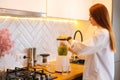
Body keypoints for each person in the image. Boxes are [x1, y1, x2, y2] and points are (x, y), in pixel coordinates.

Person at [65, 3, 116, 80]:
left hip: (99, 77)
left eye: (91, 16)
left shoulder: (102, 33)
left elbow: (84, 47)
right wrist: (72, 50)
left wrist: (69, 39)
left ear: (98, 17)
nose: (89, 19)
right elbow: (91, 52)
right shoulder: (102, 32)